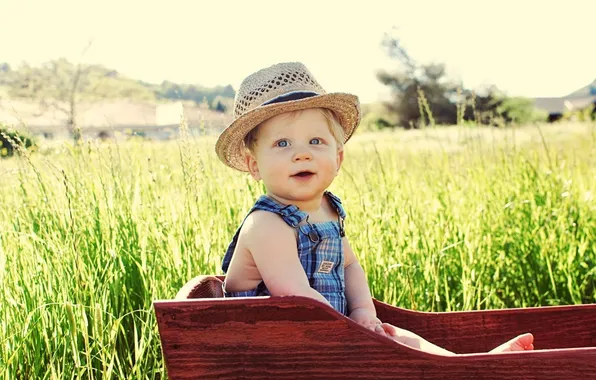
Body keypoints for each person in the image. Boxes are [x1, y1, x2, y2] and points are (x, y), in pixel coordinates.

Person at [216, 62, 534, 355]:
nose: (302, 154)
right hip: (274, 348)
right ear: (254, 165)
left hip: (324, 335)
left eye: (316, 141)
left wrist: (364, 313)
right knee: (386, 349)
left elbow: (350, 266)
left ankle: (466, 366)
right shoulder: (266, 225)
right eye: (282, 144)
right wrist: (356, 333)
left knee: (398, 336)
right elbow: (297, 299)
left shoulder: (327, 211)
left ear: (338, 159)